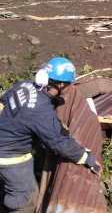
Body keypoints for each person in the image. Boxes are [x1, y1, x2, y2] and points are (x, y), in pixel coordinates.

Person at [0, 57, 101, 212]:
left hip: (5, 142)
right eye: (70, 83)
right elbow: (59, 142)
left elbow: (4, 101)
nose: (72, 86)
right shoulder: (41, 111)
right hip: (10, 157)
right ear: (60, 84)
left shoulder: (24, 85)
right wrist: (88, 158)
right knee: (25, 201)